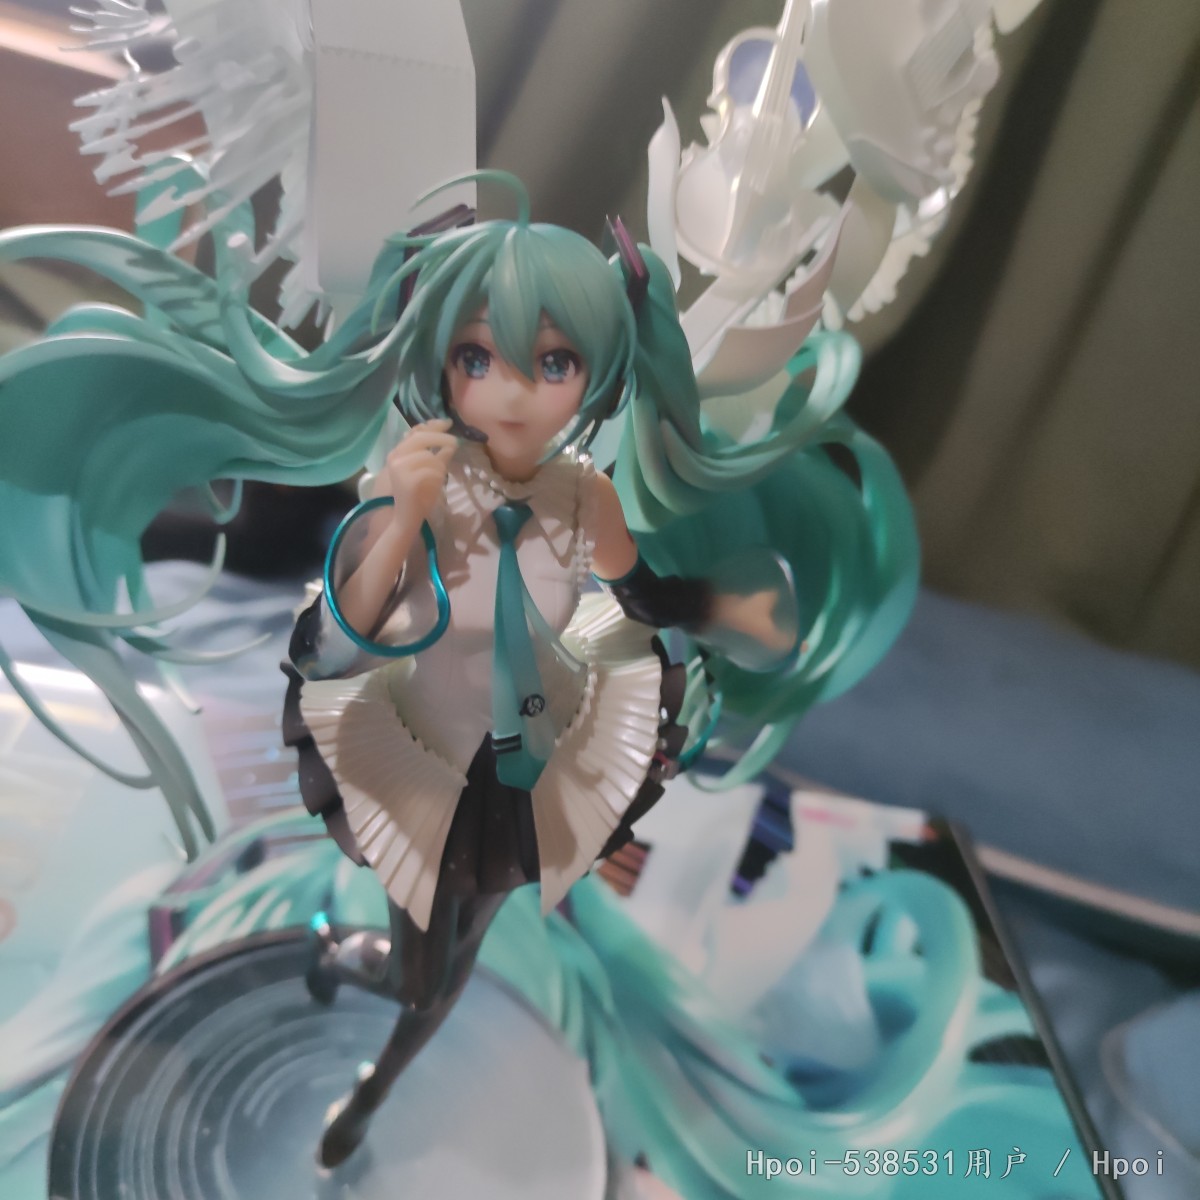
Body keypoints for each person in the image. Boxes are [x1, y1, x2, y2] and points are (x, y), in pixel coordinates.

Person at [0, 171, 918, 1167]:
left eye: (554, 361)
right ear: (443, 364)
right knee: (421, 972)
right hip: (422, 757)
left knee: (455, 959)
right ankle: (350, 991)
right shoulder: (425, 483)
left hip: (532, 757)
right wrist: (401, 519)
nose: (513, 391)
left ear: (598, 376)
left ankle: (370, 1058)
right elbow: (342, 634)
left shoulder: (587, 499)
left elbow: (644, 597)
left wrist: (723, 613)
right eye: (479, 357)